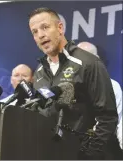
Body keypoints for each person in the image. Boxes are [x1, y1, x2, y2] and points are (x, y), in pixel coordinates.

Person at [28, 7, 118, 159]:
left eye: (45, 27)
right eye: (35, 32)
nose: (41, 35)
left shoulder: (88, 63)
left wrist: (86, 154)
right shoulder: (39, 73)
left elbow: (107, 118)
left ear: (60, 27)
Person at [77, 41, 123, 158]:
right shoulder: (68, 85)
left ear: (96, 58)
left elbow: (117, 121)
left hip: (98, 147)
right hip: (70, 145)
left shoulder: (111, 85)